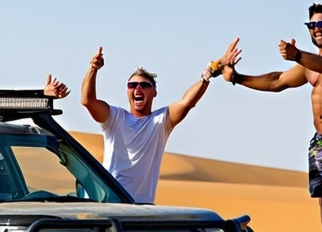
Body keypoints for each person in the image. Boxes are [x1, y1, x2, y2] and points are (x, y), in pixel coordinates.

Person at [218, 3, 322, 232]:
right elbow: (277, 81)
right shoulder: (309, 66)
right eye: (312, 25)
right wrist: (237, 77)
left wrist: (297, 55)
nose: (318, 29)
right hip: (318, 141)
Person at [80, 40, 237, 204]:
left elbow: (187, 102)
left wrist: (211, 71)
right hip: (111, 203)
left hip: (142, 207)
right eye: (132, 85)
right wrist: (93, 68)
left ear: (154, 92)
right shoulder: (114, 118)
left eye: (144, 85)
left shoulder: (160, 121)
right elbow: (87, 101)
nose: (137, 89)